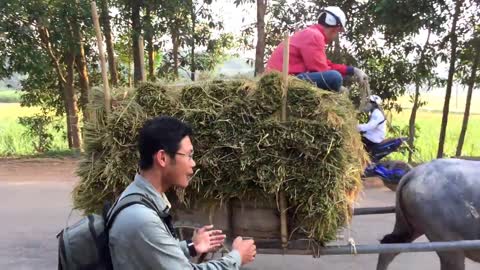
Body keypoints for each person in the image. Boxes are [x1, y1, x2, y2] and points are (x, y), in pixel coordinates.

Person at [109, 116, 257, 270]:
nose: (193, 163)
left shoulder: (137, 196)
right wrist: (237, 257)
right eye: (189, 155)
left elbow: (155, 252)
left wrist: (192, 246)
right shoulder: (142, 218)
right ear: (162, 158)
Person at [266, 6, 368, 92]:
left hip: (283, 78)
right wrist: (339, 88)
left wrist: (352, 70)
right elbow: (321, 70)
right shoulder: (314, 36)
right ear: (335, 29)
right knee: (335, 77)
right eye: (337, 33)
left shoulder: (310, 33)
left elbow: (326, 65)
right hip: (284, 80)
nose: (335, 36)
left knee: (333, 76)